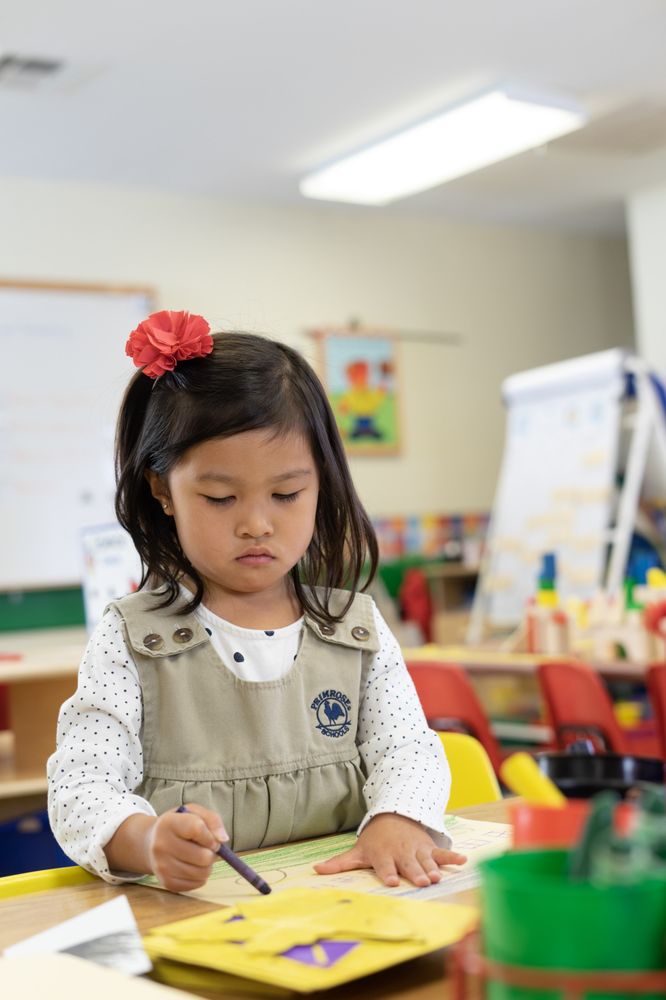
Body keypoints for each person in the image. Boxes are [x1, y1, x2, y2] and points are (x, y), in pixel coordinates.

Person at [48, 310, 465, 893]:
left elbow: (409, 749)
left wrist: (398, 819)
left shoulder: (355, 628)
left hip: (345, 906)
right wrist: (144, 840)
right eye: (220, 497)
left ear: (322, 482)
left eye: (287, 493)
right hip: (196, 919)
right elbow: (80, 786)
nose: (256, 524)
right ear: (162, 490)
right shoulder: (130, 640)